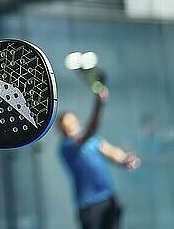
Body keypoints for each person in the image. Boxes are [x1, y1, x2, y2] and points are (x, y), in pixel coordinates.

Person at [58, 86, 140, 229]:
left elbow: (111, 151)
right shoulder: (66, 147)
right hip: (89, 206)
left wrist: (125, 160)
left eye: (73, 122)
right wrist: (99, 105)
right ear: (62, 130)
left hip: (110, 199)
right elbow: (90, 130)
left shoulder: (93, 140)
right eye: (67, 125)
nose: (71, 126)